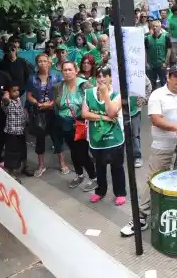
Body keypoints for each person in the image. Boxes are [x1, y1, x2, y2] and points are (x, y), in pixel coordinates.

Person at [122, 65, 177, 237]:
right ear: (168, 77)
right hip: (162, 146)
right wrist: (176, 128)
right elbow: (156, 120)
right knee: (154, 179)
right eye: (175, 76)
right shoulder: (158, 95)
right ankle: (141, 217)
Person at [83, 67, 126, 205]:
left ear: (110, 78)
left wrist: (105, 94)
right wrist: (104, 118)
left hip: (115, 138)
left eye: (104, 76)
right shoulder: (88, 93)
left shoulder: (118, 93)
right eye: (98, 76)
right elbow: (85, 114)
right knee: (100, 167)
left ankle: (120, 192)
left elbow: (112, 112)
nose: (101, 79)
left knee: (117, 166)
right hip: (96, 138)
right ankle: (100, 191)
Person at [55, 61, 97, 191]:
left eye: (70, 69)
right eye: (65, 70)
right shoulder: (59, 86)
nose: (67, 72)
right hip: (65, 124)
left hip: (80, 123)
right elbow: (57, 104)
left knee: (82, 153)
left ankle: (94, 178)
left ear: (76, 70)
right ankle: (79, 174)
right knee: (73, 152)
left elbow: (93, 104)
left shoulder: (85, 85)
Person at [27, 53, 63, 177]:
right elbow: (29, 95)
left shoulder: (57, 76)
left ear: (49, 62)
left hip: (53, 110)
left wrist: (51, 104)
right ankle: (41, 165)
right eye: (40, 61)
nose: (42, 63)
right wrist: (37, 103)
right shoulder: (32, 77)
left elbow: (60, 94)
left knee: (56, 137)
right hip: (39, 111)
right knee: (40, 138)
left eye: (44, 61)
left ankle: (62, 163)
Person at [145, 19, 171, 89]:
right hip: (151, 65)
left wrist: (166, 62)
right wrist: (146, 63)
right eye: (153, 26)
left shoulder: (165, 37)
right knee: (152, 82)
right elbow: (146, 51)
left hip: (161, 64)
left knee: (163, 82)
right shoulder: (147, 38)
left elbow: (169, 49)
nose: (154, 28)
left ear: (160, 27)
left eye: (156, 26)